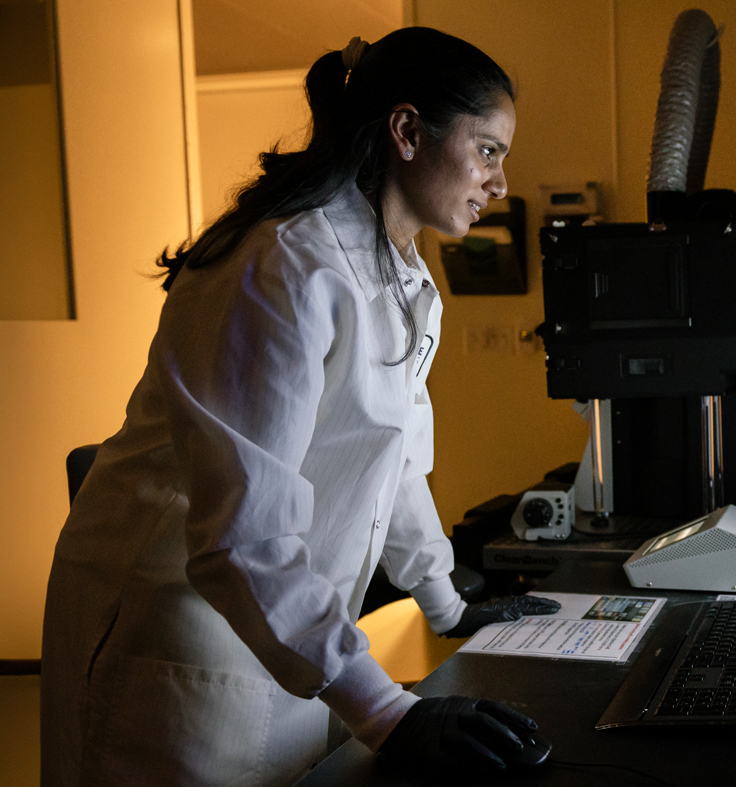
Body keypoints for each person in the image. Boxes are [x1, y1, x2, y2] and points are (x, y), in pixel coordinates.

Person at [40, 28, 559, 787]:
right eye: (487, 150)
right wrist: (390, 711)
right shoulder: (283, 263)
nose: (500, 182)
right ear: (408, 131)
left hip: (280, 624)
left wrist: (447, 603)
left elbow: (396, 467)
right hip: (182, 629)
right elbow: (242, 538)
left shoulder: (408, 284)